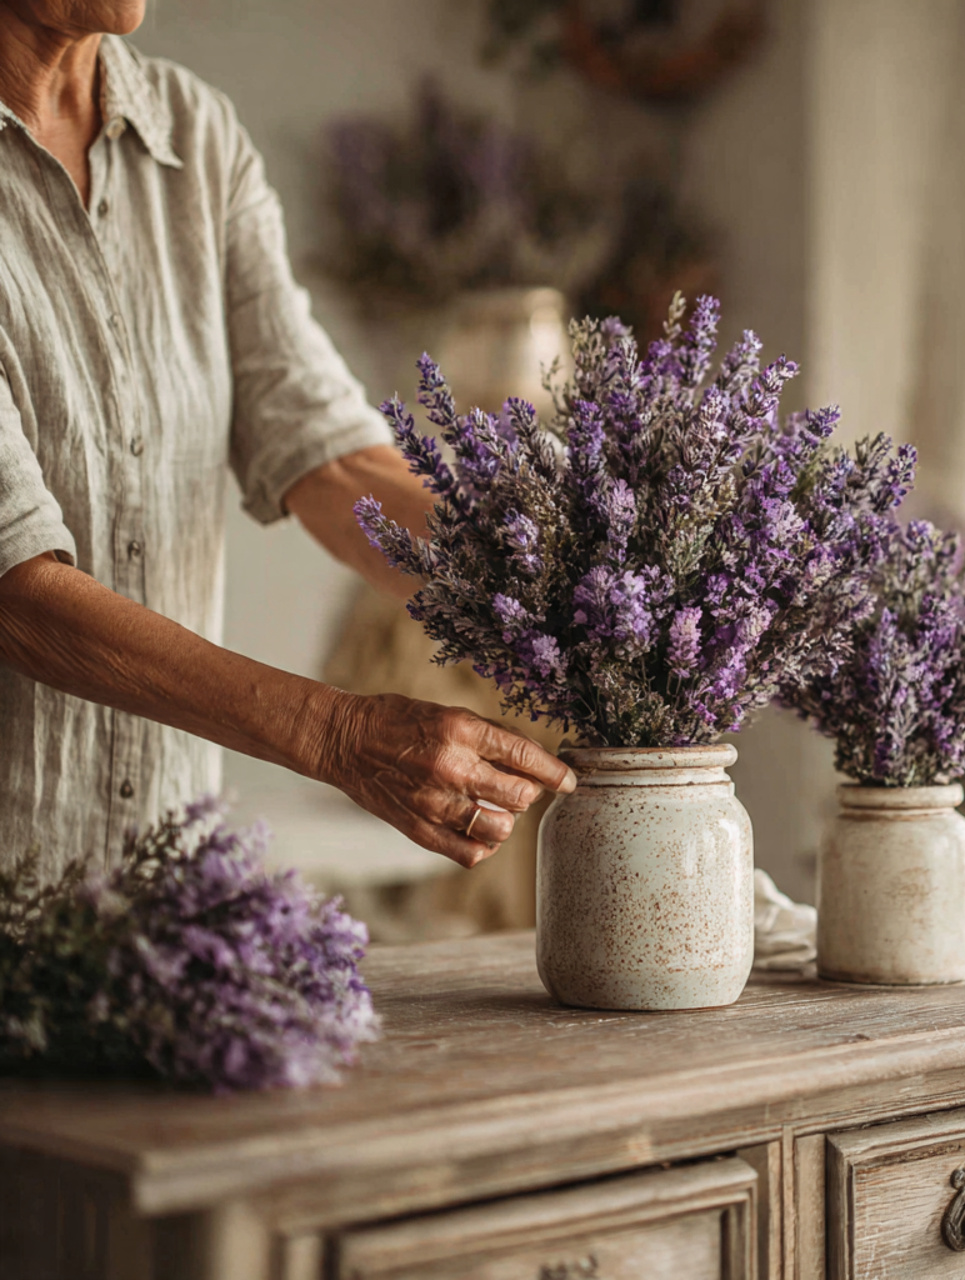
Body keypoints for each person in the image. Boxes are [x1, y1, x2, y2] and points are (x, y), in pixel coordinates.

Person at [0, 0, 576, 884]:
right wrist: (335, 733)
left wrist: (563, 594)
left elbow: (327, 457)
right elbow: (15, 591)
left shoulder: (193, 136)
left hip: (167, 892)